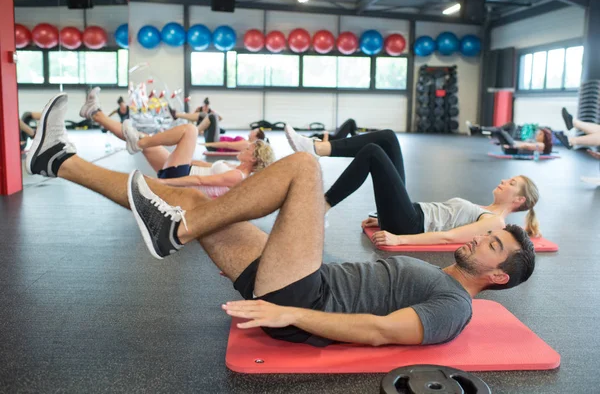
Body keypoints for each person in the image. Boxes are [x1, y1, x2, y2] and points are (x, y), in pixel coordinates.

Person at [25, 93, 536, 348]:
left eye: (492, 246)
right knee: (192, 203)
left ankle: (175, 232)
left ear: (497, 277)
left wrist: (292, 316)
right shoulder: (444, 277)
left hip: (301, 296)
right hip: (297, 277)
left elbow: (380, 331)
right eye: (488, 236)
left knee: (304, 169)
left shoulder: (454, 307)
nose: (479, 240)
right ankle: (57, 161)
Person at [285, 126, 541, 245]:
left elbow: (448, 238)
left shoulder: (495, 222)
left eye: (512, 183)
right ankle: (317, 148)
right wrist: (384, 215)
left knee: (373, 152)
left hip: (409, 223)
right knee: (387, 138)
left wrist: (400, 240)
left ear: (519, 200)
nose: (504, 181)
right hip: (408, 212)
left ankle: (322, 207)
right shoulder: (486, 208)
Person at [78, 90, 274, 196]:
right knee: (138, 136)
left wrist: (163, 183)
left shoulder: (238, 176)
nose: (246, 147)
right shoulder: (235, 167)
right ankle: (95, 113)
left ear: (254, 158)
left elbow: (199, 181)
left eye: (249, 149)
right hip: (182, 170)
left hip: (180, 177)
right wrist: (186, 156)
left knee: (190, 130)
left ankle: (141, 143)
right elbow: (203, 167)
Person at [468, 121, 553, 155]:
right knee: (512, 125)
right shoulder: (537, 142)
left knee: (500, 130)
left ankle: (477, 129)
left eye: (541, 134)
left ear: (545, 138)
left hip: (513, 148)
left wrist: (511, 145)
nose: (538, 135)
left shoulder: (541, 145)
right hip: (513, 144)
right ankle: (492, 133)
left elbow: (526, 146)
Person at [203, 128, 268, 153]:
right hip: (215, 141)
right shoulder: (246, 142)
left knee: (213, 117)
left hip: (215, 143)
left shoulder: (247, 144)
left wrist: (209, 144)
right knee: (211, 116)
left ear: (256, 137)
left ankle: (195, 131)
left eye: (254, 131)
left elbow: (227, 145)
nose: (251, 131)